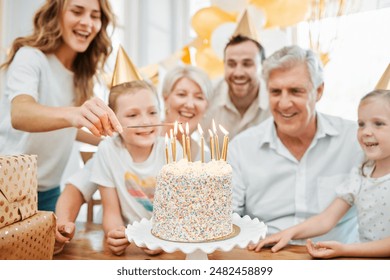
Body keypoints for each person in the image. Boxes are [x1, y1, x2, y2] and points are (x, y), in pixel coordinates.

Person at [54, 64, 212, 254]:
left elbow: (181, 212)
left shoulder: (178, 150)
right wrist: (115, 234)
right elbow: (104, 207)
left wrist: (163, 237)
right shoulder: (109, 150)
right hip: (130, 248)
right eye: (132, 115)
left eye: (152, 112)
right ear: (114, 120)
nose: (145, 121)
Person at [229, 45, 364, 245]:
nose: (284, 103)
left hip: (338, 261)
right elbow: (226, 219)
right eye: (276, 92)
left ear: (318, 91)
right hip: (266, 259)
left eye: (295, 91)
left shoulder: (356, 140)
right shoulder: (241, 148)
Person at [0, 0, 122, 212]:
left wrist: (117, 138)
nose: (87, 23)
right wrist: (75, 114)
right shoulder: (30, 57)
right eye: (77, 11)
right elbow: (20, 114)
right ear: (56, 14)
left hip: (49, 190)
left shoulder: (81, 75)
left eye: (95, 16)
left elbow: (67, 128)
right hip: (8, 188)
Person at [250, 90, 390, 258]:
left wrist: (345, 249)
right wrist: (289, 233)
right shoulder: (361, 174)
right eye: (361, 124)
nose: (366, 132)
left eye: (378, 124)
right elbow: (326, 219)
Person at [201, 26, 270, 143]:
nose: (238, 73)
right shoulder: (206, 95)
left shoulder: (276, 98)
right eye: (231, 64)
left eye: (247, 64)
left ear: (263, 67)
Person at [161, 64, 212, 160]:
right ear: (165, 99)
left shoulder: (205, 159)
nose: (189, 104)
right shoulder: (145, 141)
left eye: (199, 97)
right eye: (181, 94)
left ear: (207, 107)